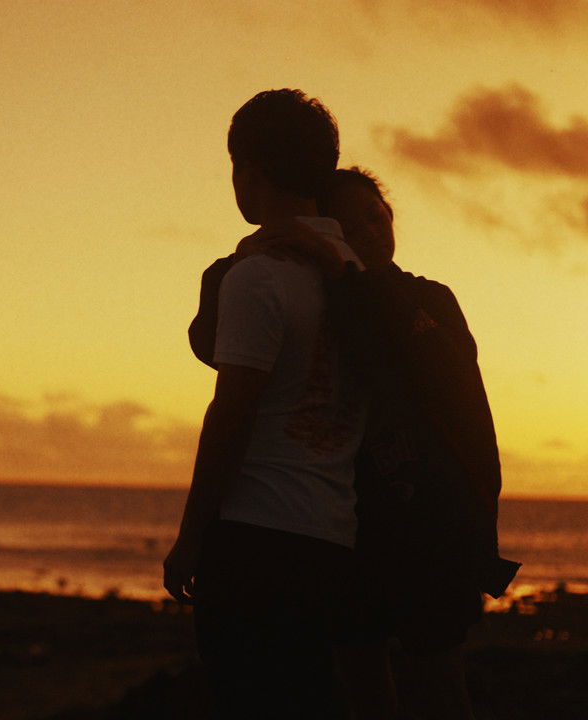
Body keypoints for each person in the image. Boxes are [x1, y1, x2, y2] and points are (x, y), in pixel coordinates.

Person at [188, 167, 519, 719]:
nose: (370, 227)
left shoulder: (425, 300)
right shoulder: (316, 295)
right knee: (361, 678)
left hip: (431, 523)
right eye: (350, 220)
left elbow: (418, 357)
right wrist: (244, 257)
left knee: (436, 678)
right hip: (349, 519)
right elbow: (209, 341)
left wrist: (340, 268)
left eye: (379, 214)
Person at [162, 89, 366, 719]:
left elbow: (231, 414)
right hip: (334, 536)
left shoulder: (260, 277)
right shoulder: (356, 272)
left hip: (257, 538)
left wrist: (190, 538)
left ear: (248, 170)